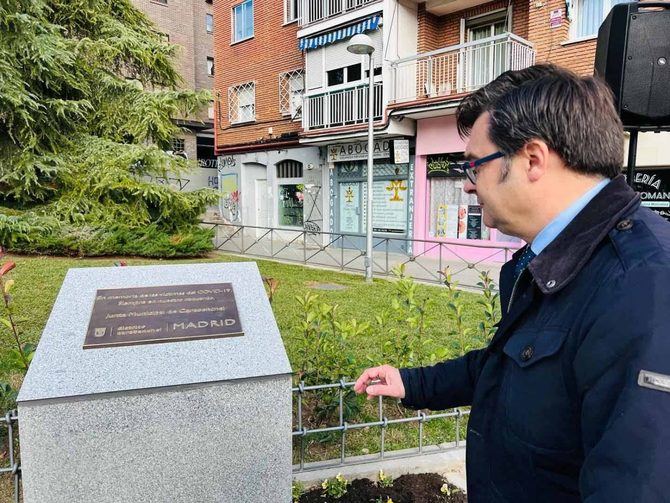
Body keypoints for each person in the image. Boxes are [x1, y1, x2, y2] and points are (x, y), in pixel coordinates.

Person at [354, 64, 670, 502]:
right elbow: (511, 365)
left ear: (533, 160)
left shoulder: (644, 285)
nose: (469, 187)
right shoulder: (547, 257)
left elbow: (635, 485)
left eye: (475, 166)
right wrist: (414, 383)